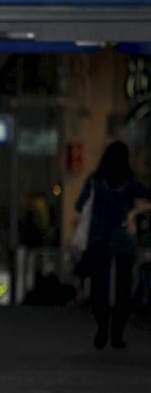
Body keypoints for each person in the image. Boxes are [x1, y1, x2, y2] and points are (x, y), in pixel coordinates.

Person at [75, 141, 151, 348]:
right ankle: (117, 335)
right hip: (124, 240)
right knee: (123, 288)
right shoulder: (130, 181)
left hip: (99, 240)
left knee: (100, 288)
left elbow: (79, 204)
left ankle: (101, 332)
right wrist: (134, 213)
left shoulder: (96, 180)